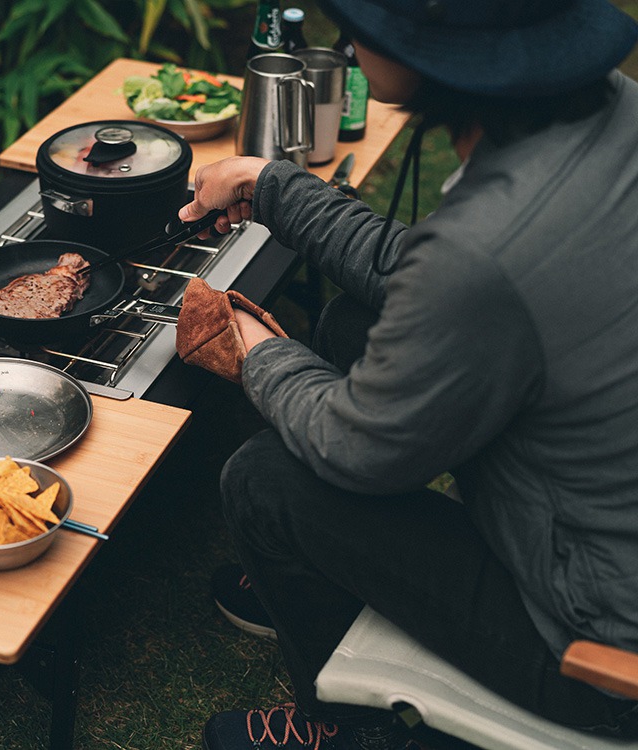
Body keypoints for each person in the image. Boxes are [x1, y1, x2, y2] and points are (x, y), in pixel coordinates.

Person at [172, 1, 638, 748]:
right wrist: (271, 182)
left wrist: (255, 350)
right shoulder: (612, 109)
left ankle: (338, 727)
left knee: (264, 481)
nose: (349, 41)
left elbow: (355, 449)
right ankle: (313, 579)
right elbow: (424, 272)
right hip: (603, 509)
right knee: (356, 327)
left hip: (598, 651)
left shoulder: (483, 253)